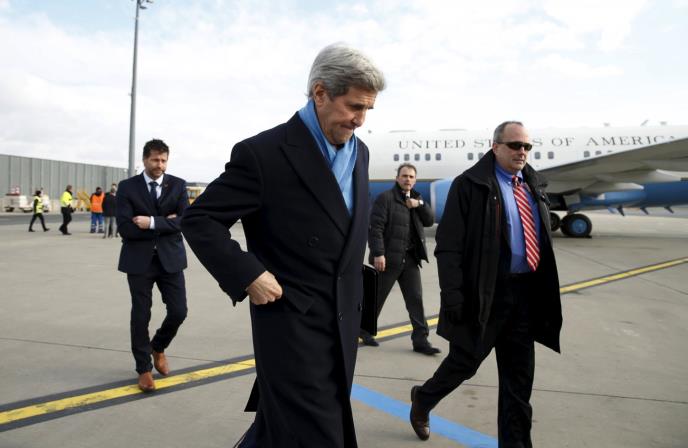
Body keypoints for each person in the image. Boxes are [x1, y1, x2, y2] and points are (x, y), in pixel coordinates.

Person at [181, 43, 385, 448]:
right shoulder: (264, 154)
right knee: (318, 434)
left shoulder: (359, 153)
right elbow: (200, 219)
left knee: (283, 431)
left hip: (343, 320)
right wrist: (249, 274)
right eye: (354, 106)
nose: (360, 119)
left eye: (368, 109)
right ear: (320, 93)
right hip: (292, 321)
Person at [409, 121, 562, 446]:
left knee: (518, 385)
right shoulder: (470, 185)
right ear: (495, 147)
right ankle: (423, 399)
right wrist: (453, 296)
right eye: (515, 145)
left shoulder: (533, 184)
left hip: (525, 297)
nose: (522, 152)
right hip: (485, 296)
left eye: (527, 146)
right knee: (463, 364)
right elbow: (448, 246)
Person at [116, 139, 189, 392]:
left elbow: (185, 221)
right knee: (140, 314)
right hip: (139, 261)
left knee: (179, 311)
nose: (160, 165)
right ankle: (143, 368)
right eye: (155, 160)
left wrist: (151, 222)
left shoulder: (178, 185)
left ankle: (158, 346)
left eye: (164, 160)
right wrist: (168, 222)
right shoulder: (127, 187)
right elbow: (125, 228)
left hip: (171, 259)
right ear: (145, 160)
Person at [360, 163, 440, 355]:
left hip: (411, 260)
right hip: (389, 259)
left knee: (415, 300)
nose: (407, 179)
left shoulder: (417, 199)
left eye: (411, 177)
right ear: (397, 178)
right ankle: (364, 330)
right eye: (404, 176)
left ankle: (421, 341)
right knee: (377, 298)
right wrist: (378, 253)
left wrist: (419, 205)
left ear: (415, 180)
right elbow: (375, 228)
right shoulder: (385, 199)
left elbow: (429, 221)